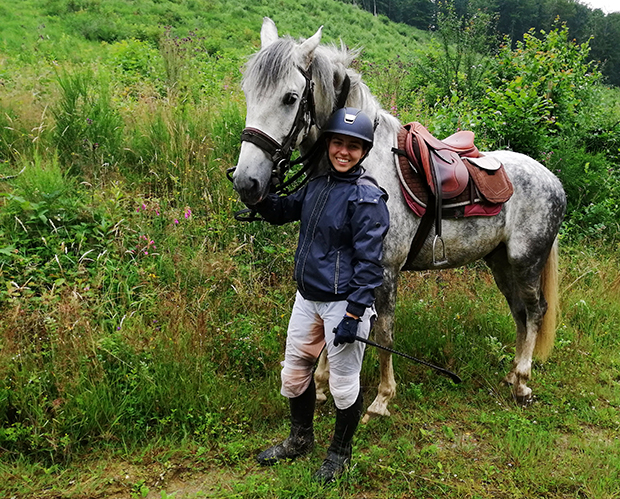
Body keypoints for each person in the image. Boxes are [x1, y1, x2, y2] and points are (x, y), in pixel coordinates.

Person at [248, 107, 390, 484]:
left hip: (344, 303)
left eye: (353, 146)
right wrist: (258, 196)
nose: (344, 151)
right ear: (328, 144)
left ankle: (339, 455)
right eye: (338, 143)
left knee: (343, 385)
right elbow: (282, 211)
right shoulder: (317, 185)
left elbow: (371, 265)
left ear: (364, 151)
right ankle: (299, 440)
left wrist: (354, 315)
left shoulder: (368, 197)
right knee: (294, 373)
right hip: (307, 298)